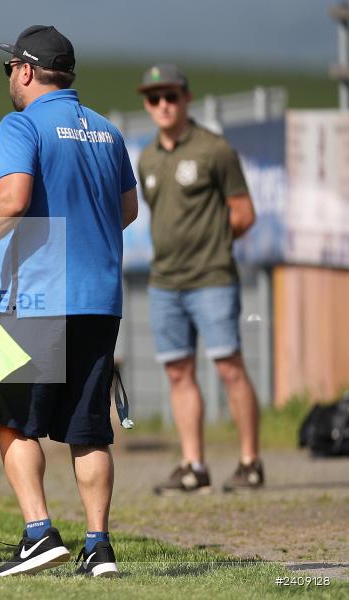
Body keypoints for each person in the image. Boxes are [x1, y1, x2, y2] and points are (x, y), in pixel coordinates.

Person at [0, 25, 138, 578]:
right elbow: (128, 210)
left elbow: (12, 199)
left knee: (12, 420)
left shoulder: (21, 124)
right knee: (88, 429)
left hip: (41, 296)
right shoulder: (110, 133)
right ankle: (98, 547)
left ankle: (39, 534)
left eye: (9, 70)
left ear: (24, 70)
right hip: (102, 299)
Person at [136, 64, 263, 495]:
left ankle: (250, 462)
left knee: (229, 367)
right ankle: (194, 465)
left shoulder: (215, 150)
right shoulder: (147, 157)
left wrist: (211, 243)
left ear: (187, 98)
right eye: (154, 98)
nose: (163, 105)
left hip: (211, 278)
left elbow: (244, 214)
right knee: (178, 372)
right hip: (164, 282)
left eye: (171, 96)